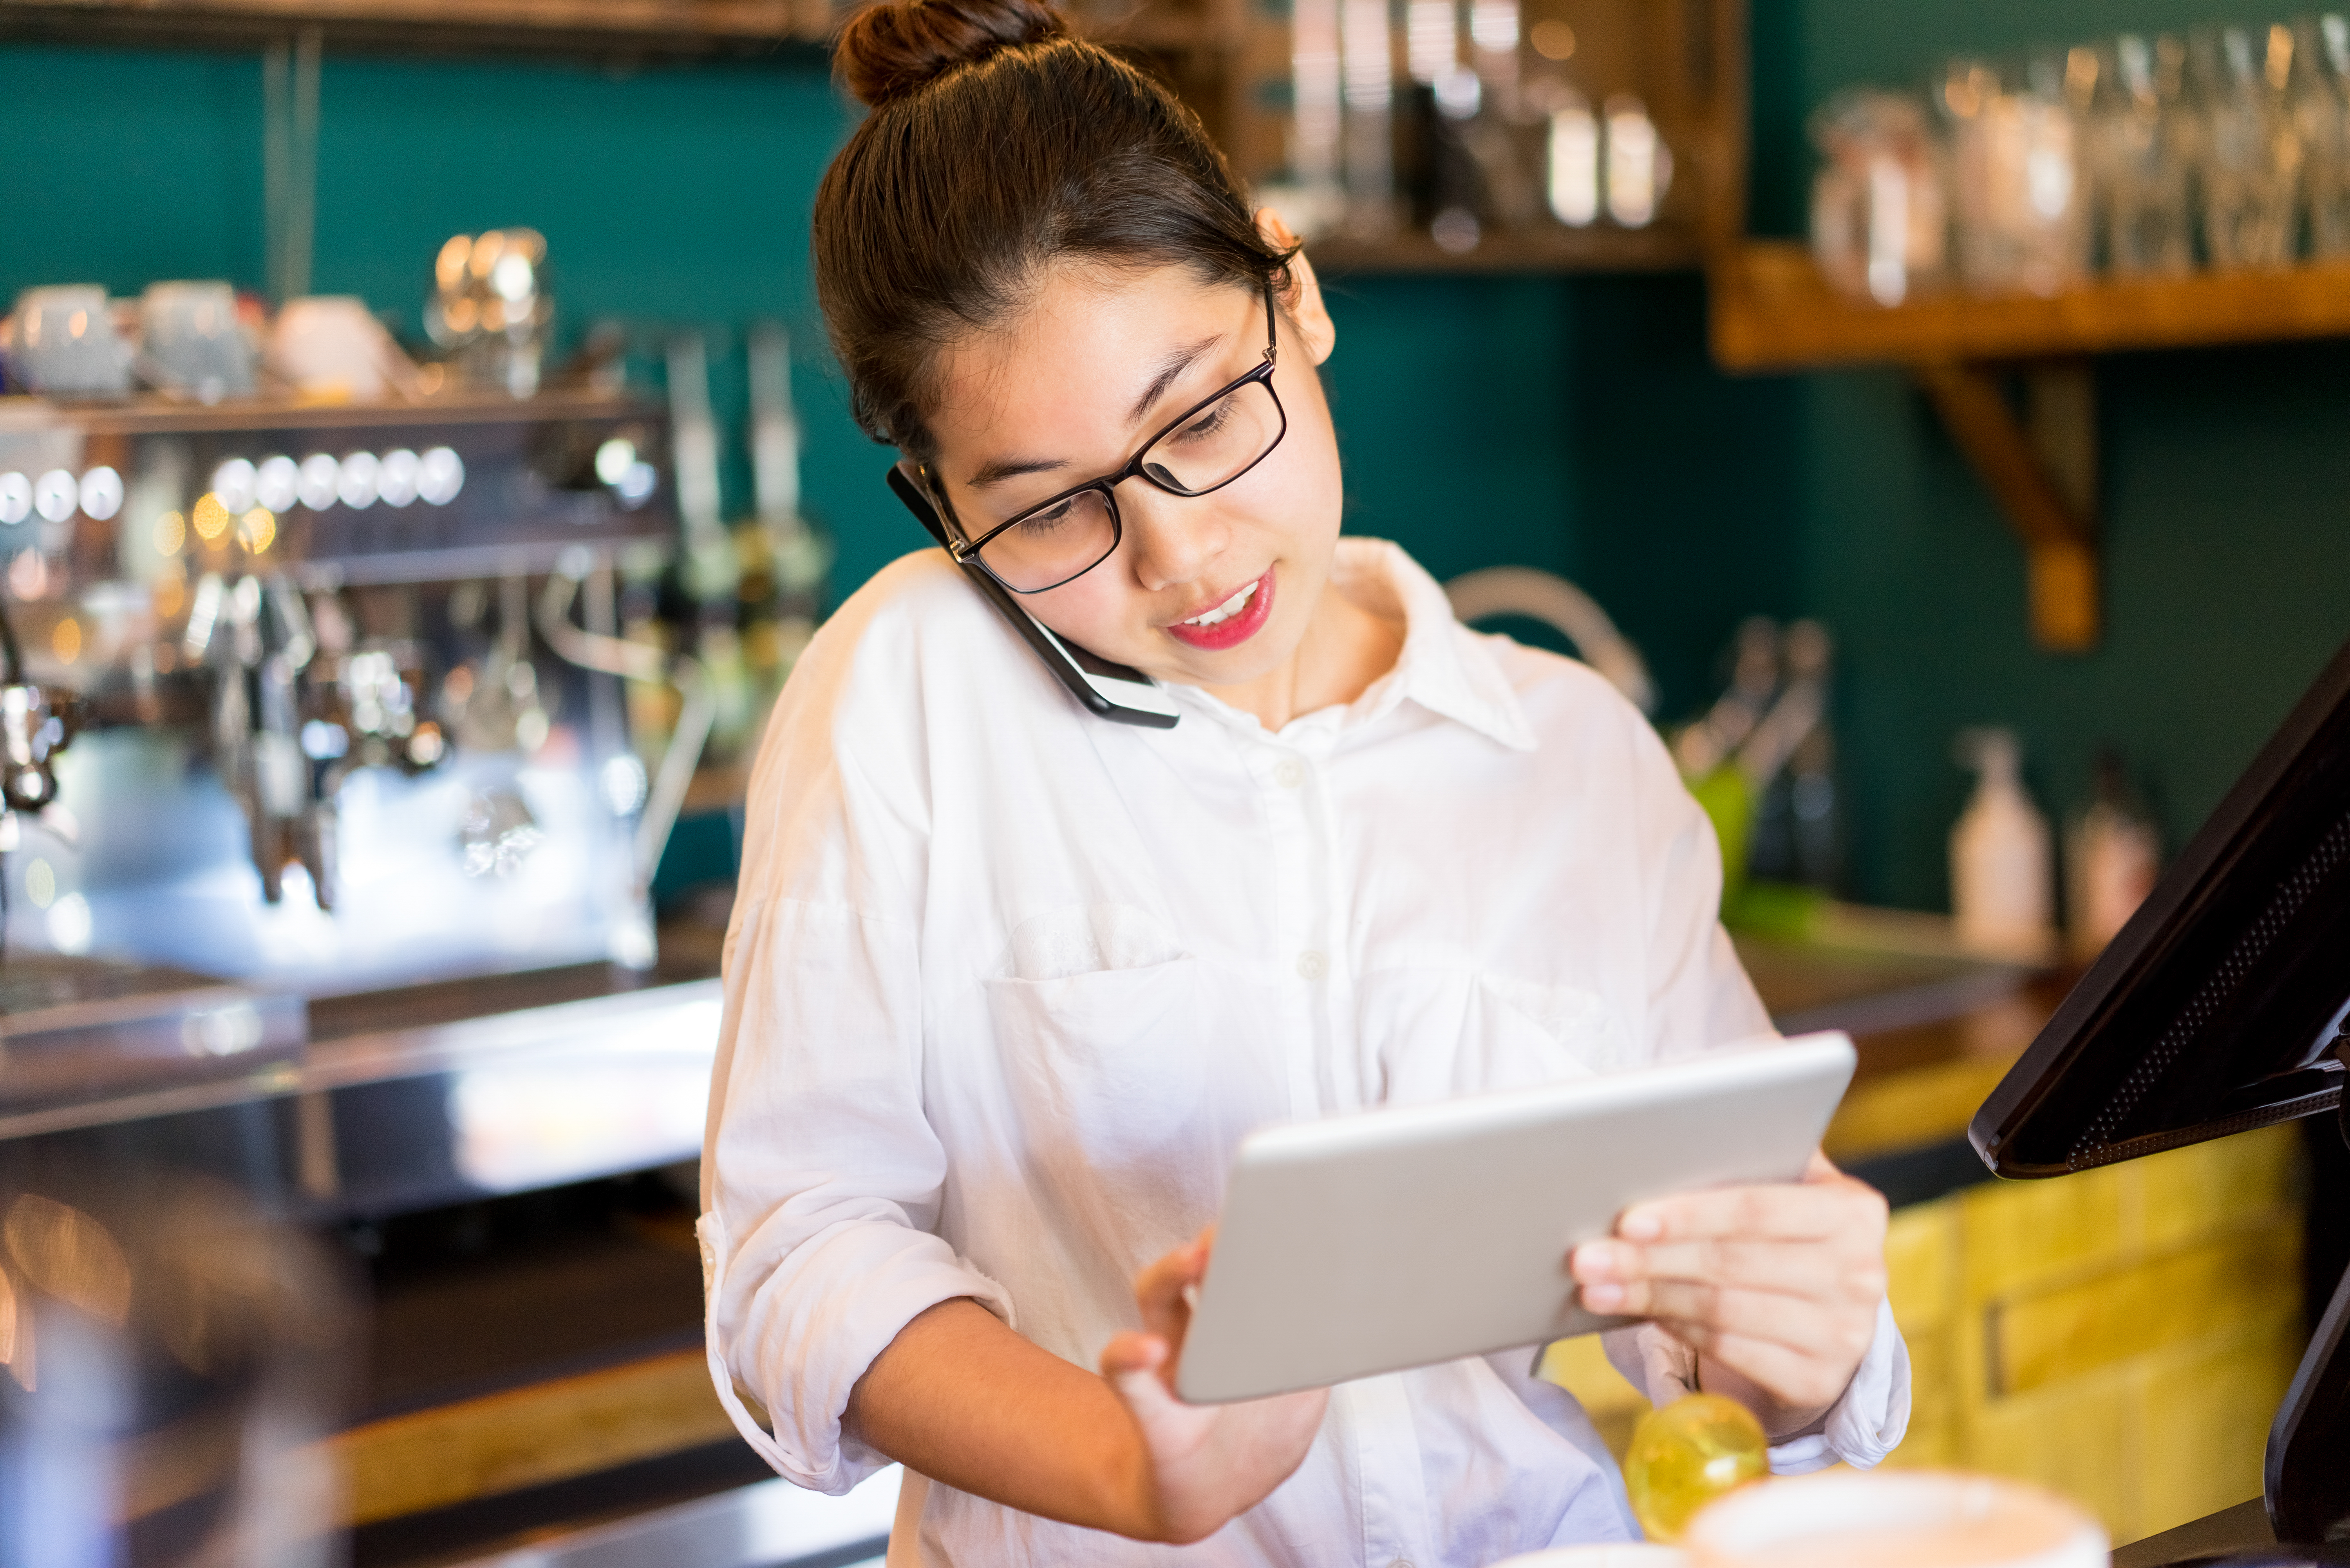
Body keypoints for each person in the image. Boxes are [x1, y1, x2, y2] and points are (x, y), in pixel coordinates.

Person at [698, 0, 1909, 1559]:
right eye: (1052, 509)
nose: (1180, 549)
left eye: (1203, 414)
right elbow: (796, 1251)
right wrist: (1128, 1463)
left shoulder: (1572, 754)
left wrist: (1797, 1352)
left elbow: (1705, 1307)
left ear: (1297, 289)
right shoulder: (911, 689)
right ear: (940, 503)